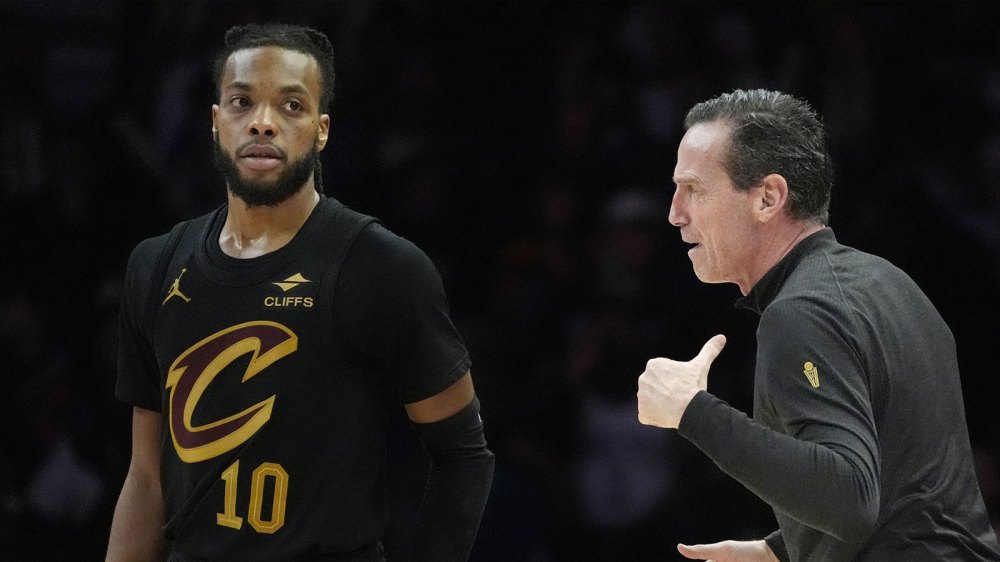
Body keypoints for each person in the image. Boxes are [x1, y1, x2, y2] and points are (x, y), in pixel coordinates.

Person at [107, 23, 494, 562]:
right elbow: (146, 478)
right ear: (217, 123)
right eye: (242, 102)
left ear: (322, 130)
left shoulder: (383, 266)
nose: (263, 122)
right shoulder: (155, 263)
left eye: (291, 106)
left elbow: (462, 456)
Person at [636, 89, 1000, 561]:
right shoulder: (888, 282)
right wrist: (790, 549)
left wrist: (692, 411)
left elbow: (850, 499)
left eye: (694, 189)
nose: (674, 213)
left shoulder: (801, 312)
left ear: (768, 197)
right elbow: (912, 487)